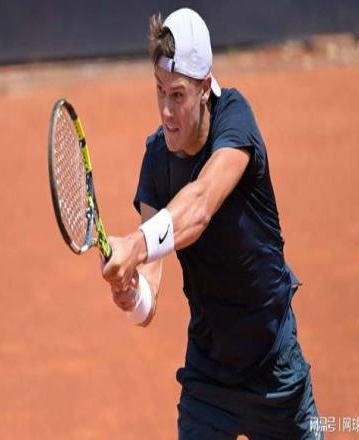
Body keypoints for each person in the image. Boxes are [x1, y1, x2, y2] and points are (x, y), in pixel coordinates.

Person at [101, 7, 321, 440]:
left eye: (178, 95)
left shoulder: (235, 119)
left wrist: (136, 244)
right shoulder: (156, 161)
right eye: (159, 90)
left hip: (275, 370)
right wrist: (131, 294)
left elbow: (200, 205)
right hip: (208, 378)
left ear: (205, 88)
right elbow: (148, 298)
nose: (166, 110)